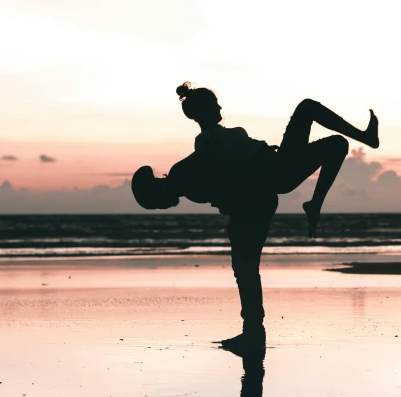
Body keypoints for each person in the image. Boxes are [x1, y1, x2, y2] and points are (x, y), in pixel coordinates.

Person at [131, 83, 379, 354]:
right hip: (268, 181)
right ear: (200, 112)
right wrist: (239, 202)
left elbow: (218, 181)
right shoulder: (196, 154)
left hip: (271, 177)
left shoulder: (206, 147)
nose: (220, 107)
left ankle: (317, 200)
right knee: (246, 269)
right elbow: (218, 183)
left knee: (333, 138)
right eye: (214, 104)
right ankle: (252, 333)